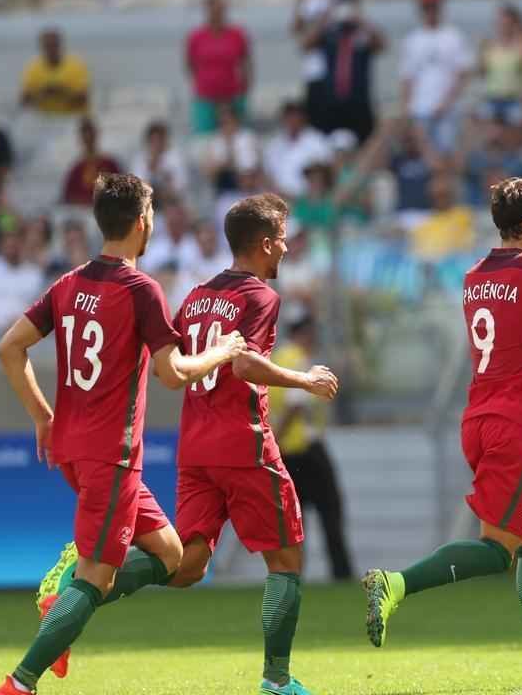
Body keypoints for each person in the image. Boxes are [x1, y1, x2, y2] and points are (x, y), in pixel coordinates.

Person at [0, 174, 245, 695]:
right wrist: (223, 351)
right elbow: (173, 373)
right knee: (97, 577)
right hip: (110, 454)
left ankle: (63, 599)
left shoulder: (68, 284)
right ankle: (20, 682)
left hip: (73, 448)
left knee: (173, 556)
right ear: (143, 222)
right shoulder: (140, 289)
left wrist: (42, 417)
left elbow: (9, 348)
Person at [361, 175, 522, 688]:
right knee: (498, 550)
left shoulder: (475, 275)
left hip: (478, 419)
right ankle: (395, 583)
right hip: (519, 425)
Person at [167, 193, 339, 695]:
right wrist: (304, 379)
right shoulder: (260, 296)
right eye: (282, 239)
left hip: (195, 446)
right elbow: (243, 365)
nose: (285, 248)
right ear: (264, 244)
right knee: (286, 559)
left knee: (186, 565)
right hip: (244, 444)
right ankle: (277, 680)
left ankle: (90, 574)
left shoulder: (196, 296)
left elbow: (172, 361)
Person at [269, 314, 354, 581]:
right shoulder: (300, 360)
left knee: (295, 519)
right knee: (331, 510)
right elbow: (295, 403)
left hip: (285, 454)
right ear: (305, 332)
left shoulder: (276, 358)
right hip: (305, 449)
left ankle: (294, 573)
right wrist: (277, 438)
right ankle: (341, 573)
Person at [301, 0, 385, 143]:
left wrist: (361, 19)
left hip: (358, 101)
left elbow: (381, 45)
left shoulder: (362, 35)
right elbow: (306, 45)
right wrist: (327, 16)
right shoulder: (330, 33)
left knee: (364, 142)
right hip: (332, 100)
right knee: (329, 143)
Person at [399, 0, 474, 152]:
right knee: (421, 155)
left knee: (445, 152)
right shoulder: (412, 39)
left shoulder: (453, 36)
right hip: (419, 109)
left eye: (433, 7)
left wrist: (447, 103)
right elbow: (407, 78)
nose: (430, 12)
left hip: (447, 111)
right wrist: (406, 109)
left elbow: (463, 74)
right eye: (426, 8)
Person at [186, 0, 252, 134]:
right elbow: (189, 64)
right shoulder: (196, 36)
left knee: (237, 137)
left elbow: (246, 63)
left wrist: (245, 88)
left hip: (233, 95)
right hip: (205, 97)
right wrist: (202, 82)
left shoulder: (237, 34)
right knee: (205, 138)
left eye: (220, 8)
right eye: (213, 8)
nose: (216, 12)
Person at [478, 3, 522, 127]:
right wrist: (482, 55)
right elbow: (482, 73)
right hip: (492, 97)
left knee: (516, 130)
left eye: (506, 21)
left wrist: (517, 33)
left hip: (514, 98)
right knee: (487, 130)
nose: (502, 24)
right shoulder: (489, 45)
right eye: (499, 21)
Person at [265, 101, 332, 200]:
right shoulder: (275, 144)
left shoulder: (317, 141)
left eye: (296, 117)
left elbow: (325, 174)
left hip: (308, 200)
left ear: (303, 118)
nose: (292, 121)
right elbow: (267, 174)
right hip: (279, 198)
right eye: (289, 117)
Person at [20, 28, 91, 116]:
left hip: (73, 116)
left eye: (54, 45)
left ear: (60, 45)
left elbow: (84, 99)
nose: (51, 49)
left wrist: (62, 92)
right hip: (44, 117)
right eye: (47, 46)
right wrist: (43, 93)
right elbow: (23, 101)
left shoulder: (76, 66)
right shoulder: (33, 69)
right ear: (42, 47)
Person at [60, 118, 122, 206]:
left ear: (96, 135)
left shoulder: (109, 164)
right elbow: (68, 196)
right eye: (85, 134)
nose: (88, 138)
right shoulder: (76, 169)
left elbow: (122, 192)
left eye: (90, 134)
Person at [130, 120, 187, 207]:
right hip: (149, 203)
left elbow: (181, 184)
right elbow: (137, 186)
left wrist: (161, 172)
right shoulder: (140, 159)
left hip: (173, 203)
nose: (157, 144)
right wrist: (150, 170)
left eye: (160, 140)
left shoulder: (176, 157)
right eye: (154, 141)